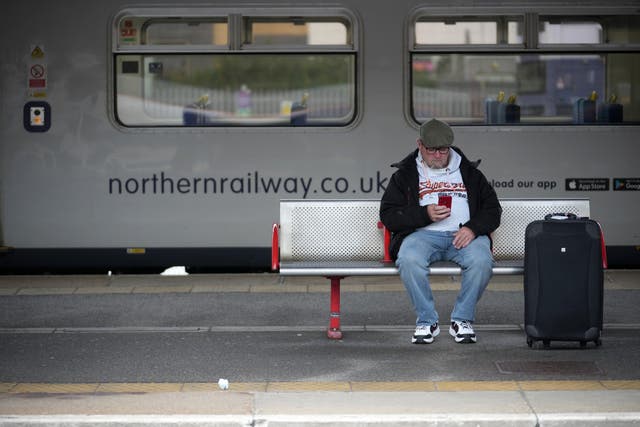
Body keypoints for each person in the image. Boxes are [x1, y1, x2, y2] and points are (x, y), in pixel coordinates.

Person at [380, 118, 502, 344]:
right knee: (408, 259)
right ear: (420, 145)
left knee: (482, 261)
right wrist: (424, 215)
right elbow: (388, 215)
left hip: (464, 235)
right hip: (422, 235)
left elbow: (493, 210)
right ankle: (427, 320)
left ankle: (462, 320)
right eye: (431, 150)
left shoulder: (470, 173)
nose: (437, 155)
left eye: (443, 150)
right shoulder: (405, 175)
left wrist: (473, 228)